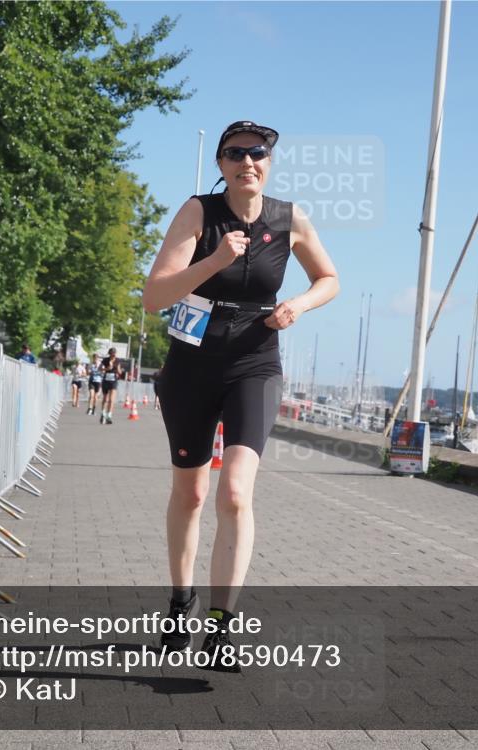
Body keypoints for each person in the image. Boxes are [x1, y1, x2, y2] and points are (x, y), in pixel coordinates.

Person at [142, 120, 338, 670]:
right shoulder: (198, 213)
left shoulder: (289, 217)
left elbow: (330, 279)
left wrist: (298, 305)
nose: (247, 162)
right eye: (235, 154)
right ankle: (181, 601)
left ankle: (223, 629)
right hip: (192, 365)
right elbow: (153, 296)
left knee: (234, 494)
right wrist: (215, 261)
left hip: (255, 360)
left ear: (269, 162)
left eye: (257, 153)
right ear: (221, 164)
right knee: (193, 494)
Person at [98, 348, 122, 424]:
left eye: (115, 353)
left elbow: (120, 371)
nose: (114, 354)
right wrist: (106, 368)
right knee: (105, 399)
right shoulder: (105, 360)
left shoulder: (117, 360)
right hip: (106, 380)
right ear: (110, 353)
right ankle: (103, 413)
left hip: (113, 381)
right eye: (112, 353)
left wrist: (119, 371)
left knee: (111, 400)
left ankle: (109, 416)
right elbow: (99, 369)